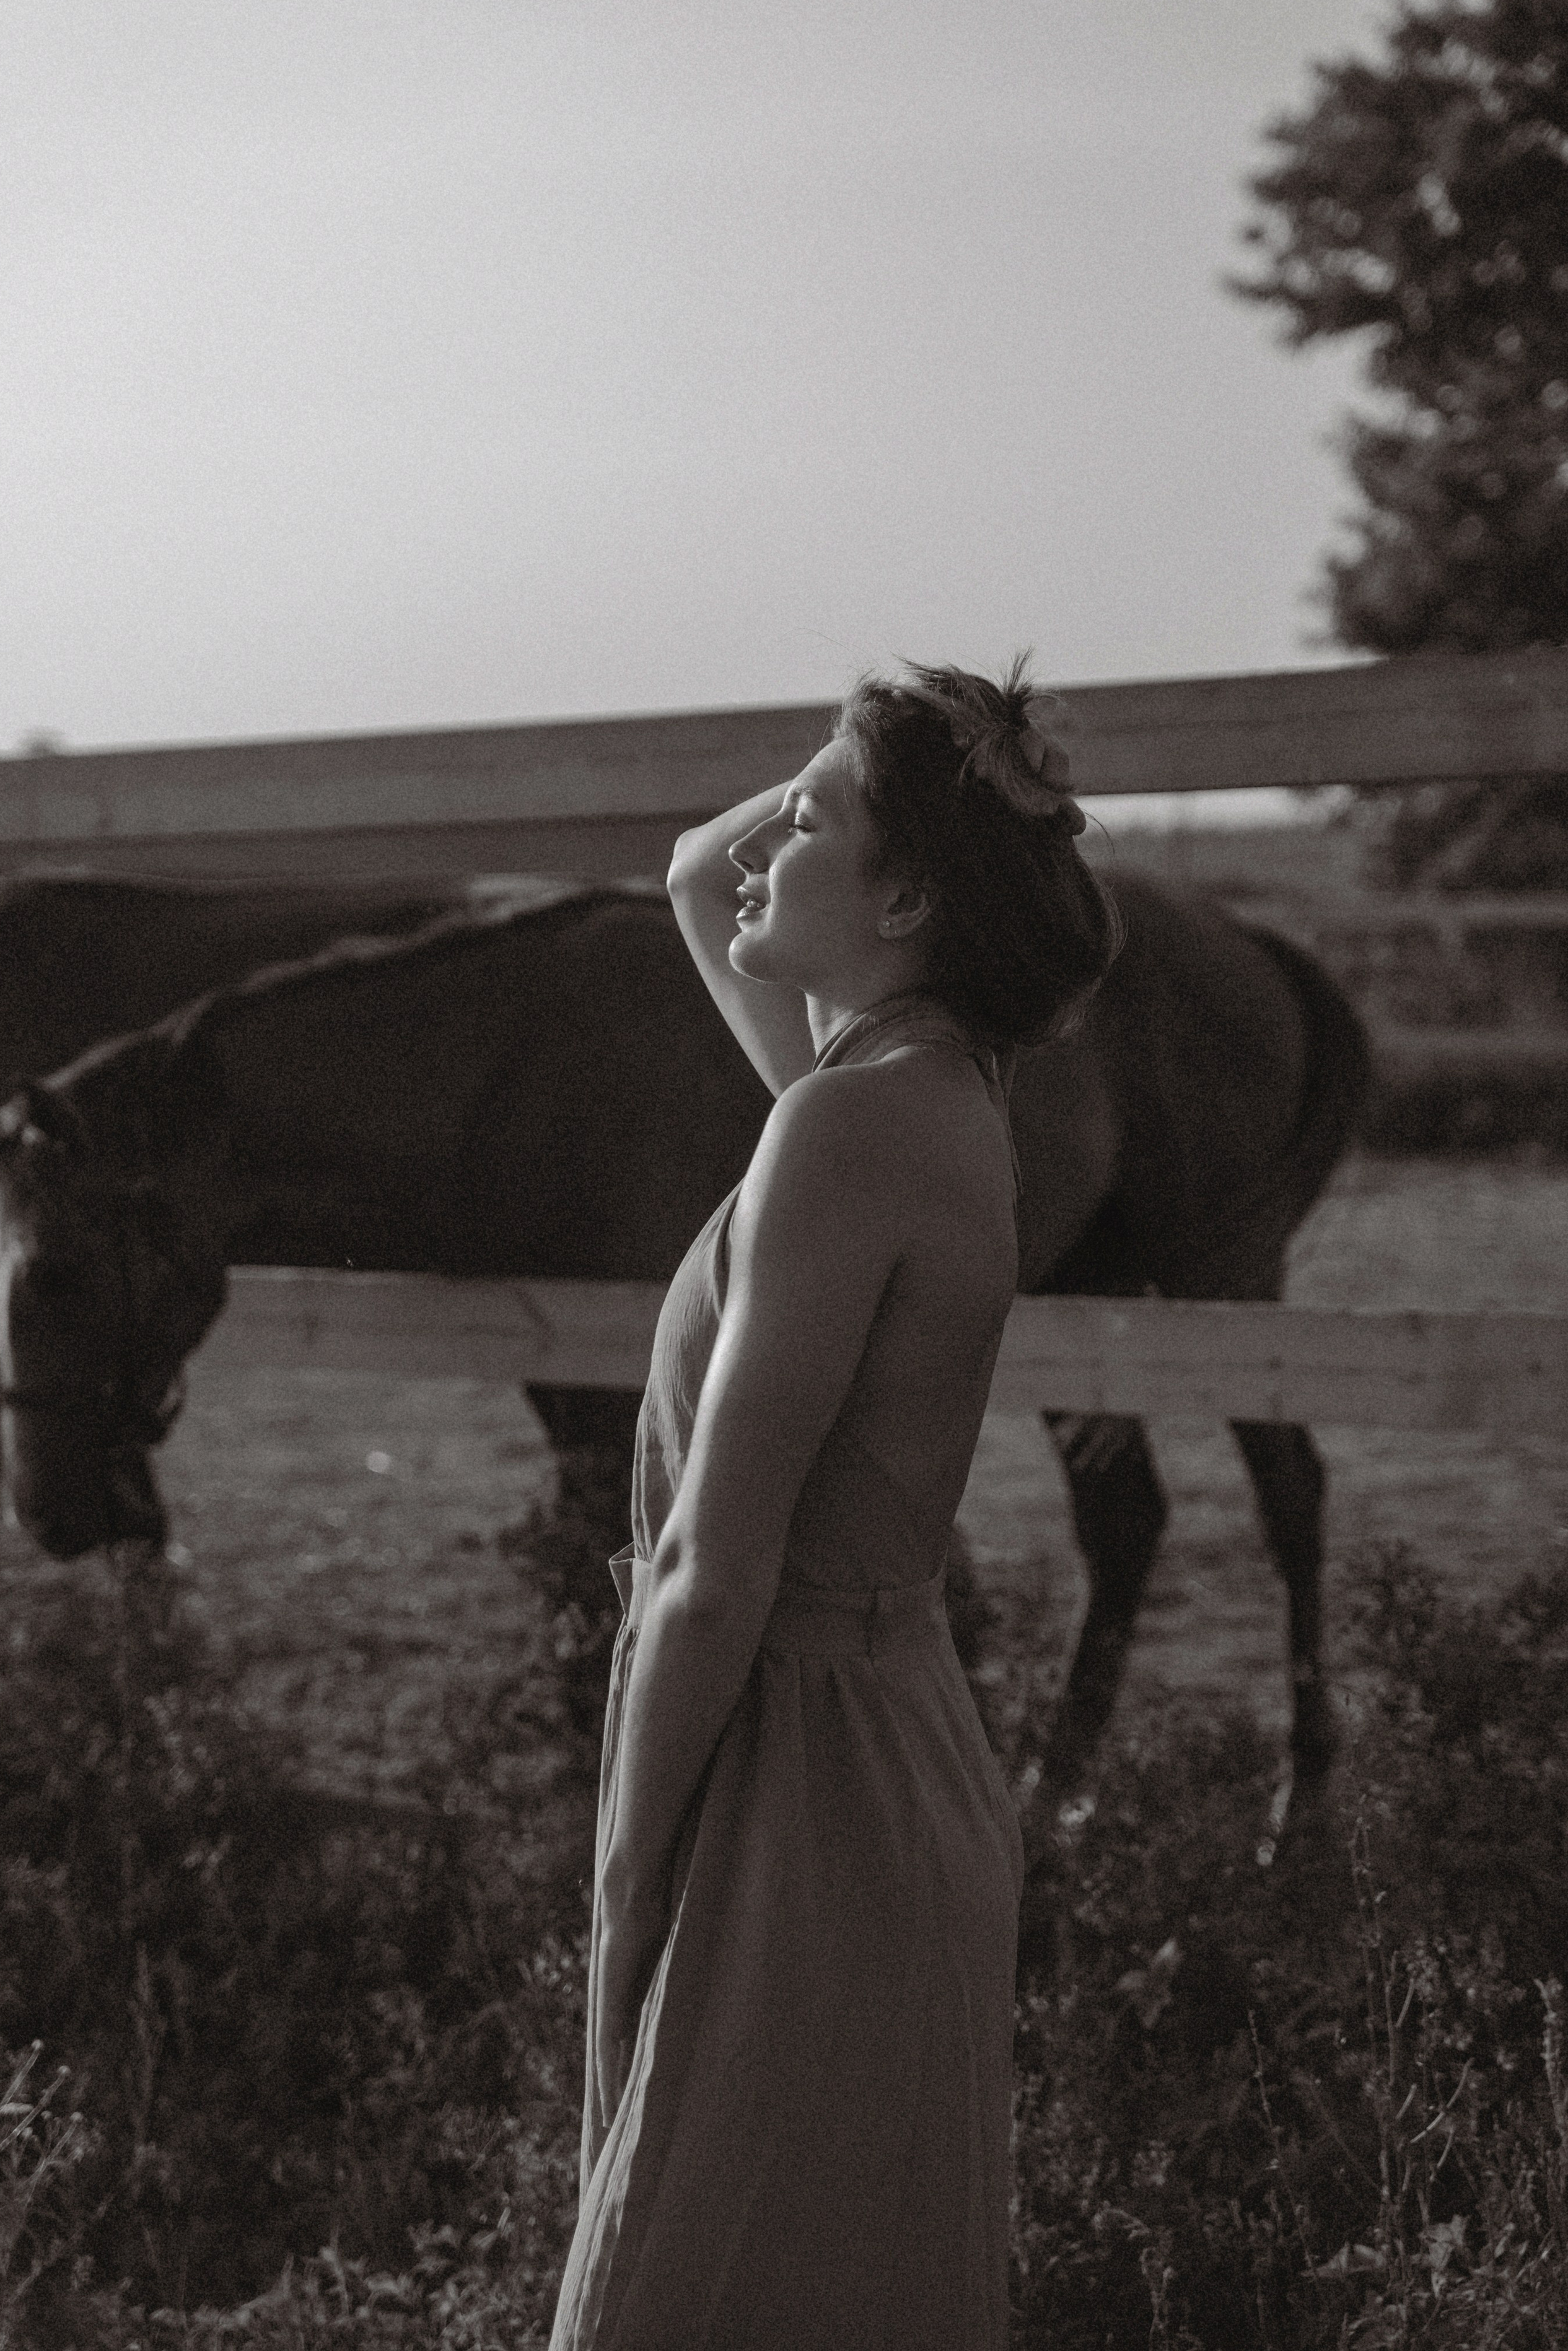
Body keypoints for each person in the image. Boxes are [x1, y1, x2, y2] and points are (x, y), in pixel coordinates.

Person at [550, 656, 1122, 2350]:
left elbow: (716, 1574)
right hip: (890, 1756)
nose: (757, 847)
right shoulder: (932, 1093)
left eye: (805, 820)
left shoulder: (838, 1130)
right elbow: (685, 871)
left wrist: (625, 1882)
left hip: (796, 1786)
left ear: (911, 893)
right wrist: (908, 740)